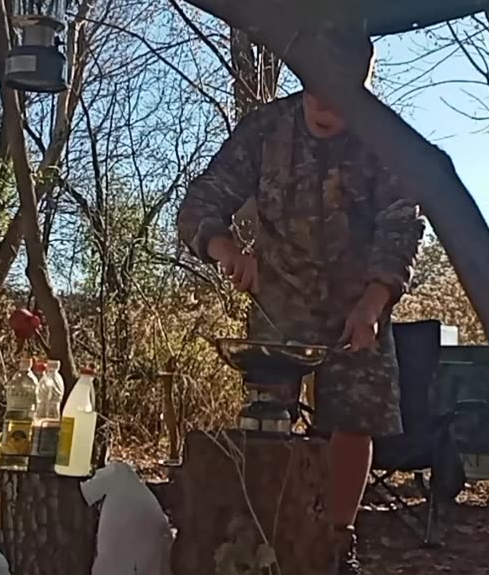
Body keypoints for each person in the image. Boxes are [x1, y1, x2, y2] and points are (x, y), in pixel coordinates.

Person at [176, 60, 424, 574]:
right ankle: (264, 541)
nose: (328, 109)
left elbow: (401, 225)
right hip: (281, 297)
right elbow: (201, 201)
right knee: (267, 421)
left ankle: (336, 544)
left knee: (355, 421)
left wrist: (373, 305)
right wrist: (227, 251)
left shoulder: (384, 138)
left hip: (357, 300)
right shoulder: (266, 130)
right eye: (318, 96)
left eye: (342, 98)